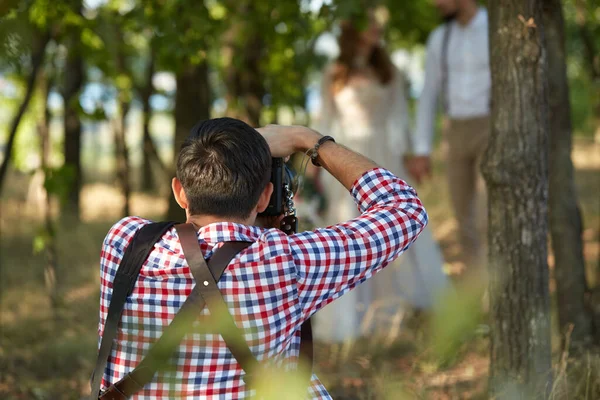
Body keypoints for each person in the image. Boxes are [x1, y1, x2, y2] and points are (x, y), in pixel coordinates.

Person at [95, 118, 428, 398]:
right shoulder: (285, 261)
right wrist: (309, 140)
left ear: (180, 191)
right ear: (266, 195)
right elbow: (404, 208)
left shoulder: (125, 242)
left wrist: (234, 154)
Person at [312, 17, 449, 343]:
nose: (376, 28)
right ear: (353, 27)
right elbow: (324, 120)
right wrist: (317, 164)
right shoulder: (334, 72)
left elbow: (400, 117)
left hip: (383, 156)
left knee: (392, 226)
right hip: (345, 156)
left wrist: (412, 153)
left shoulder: (389, 70)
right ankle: (354, 318)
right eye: (369, 21)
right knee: (349, 230)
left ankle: (398, 310)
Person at [410, 0, 490, 271]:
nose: (435, 4)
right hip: (454, 132)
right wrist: (422, 149)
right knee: (463, 216)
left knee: (485, 215)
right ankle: (474, 295)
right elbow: (428, 93)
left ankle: (495, 289)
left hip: (490, 127)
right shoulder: (440, 38)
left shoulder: (494, 28)